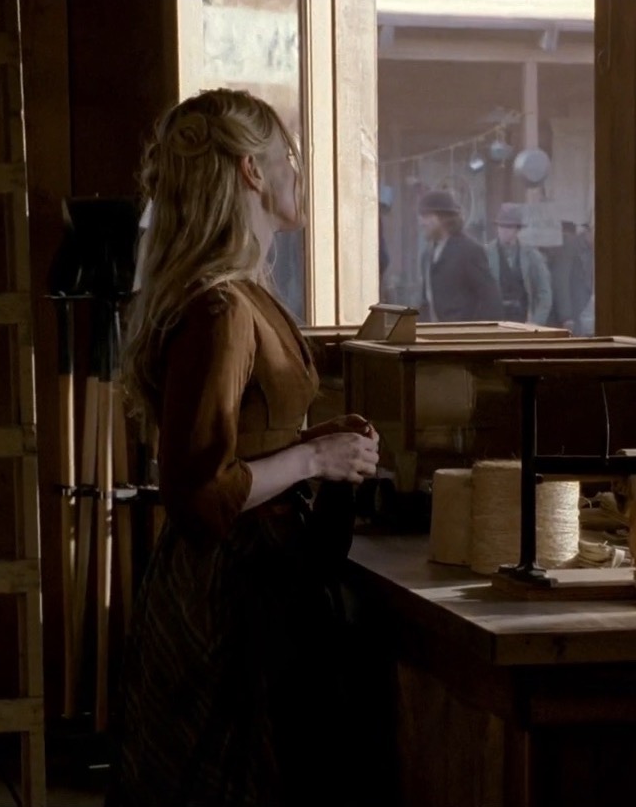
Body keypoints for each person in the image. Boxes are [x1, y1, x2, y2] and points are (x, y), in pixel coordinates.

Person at [113, 87, 382, 805]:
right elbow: (198, 493)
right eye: (287, 154)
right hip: (230, 589)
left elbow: (247, 441)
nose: (299, 171)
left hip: (256, 573)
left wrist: (316, 442)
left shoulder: (240, 295)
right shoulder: (222, 308)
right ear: (252, 171)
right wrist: (313, 460)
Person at [416, 189, 502, 322]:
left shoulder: (469, 251)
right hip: (434, 333)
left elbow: (490, 299)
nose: (421, 222)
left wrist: (474, 332)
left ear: (443, 218)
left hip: (462, 332)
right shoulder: (427, 255)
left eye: (426, 216)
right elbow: (426, 302)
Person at [484, 202, 553, 324]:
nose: (504, 231)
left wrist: (535, 324)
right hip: (494, 319)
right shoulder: (485, 254)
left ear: (517, 229)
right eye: (501, 226)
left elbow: (544, 294)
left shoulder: (532, 256)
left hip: (523, 318)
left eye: (509, 227)